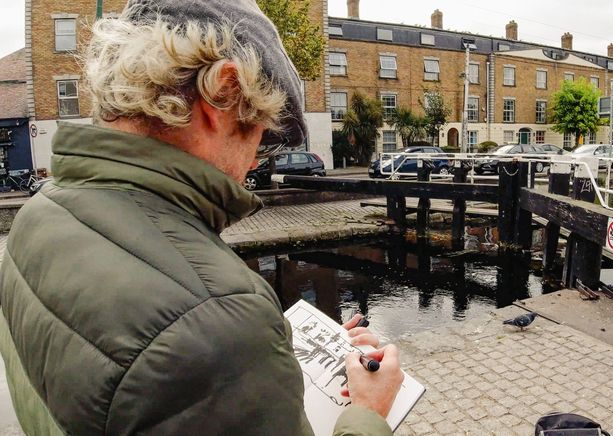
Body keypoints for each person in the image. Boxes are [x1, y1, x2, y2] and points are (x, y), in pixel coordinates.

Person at [0, 0, 403, 434]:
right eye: (260, 136)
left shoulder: (40, 213)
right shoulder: (218, 322)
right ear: (224, 94)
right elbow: (198, 338)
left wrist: (266, 359)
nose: (254, 163)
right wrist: (368, 410)